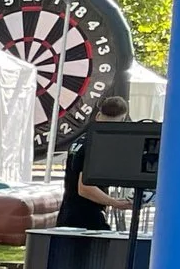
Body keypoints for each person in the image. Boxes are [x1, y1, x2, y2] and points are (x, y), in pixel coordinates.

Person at [55, 94, 131, 231]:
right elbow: (85, 188)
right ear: (123, 119)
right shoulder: (98, 145)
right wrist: (114, 202)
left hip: (68, 214)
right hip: (88, 218)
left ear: (98, 115)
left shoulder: (81, 140)